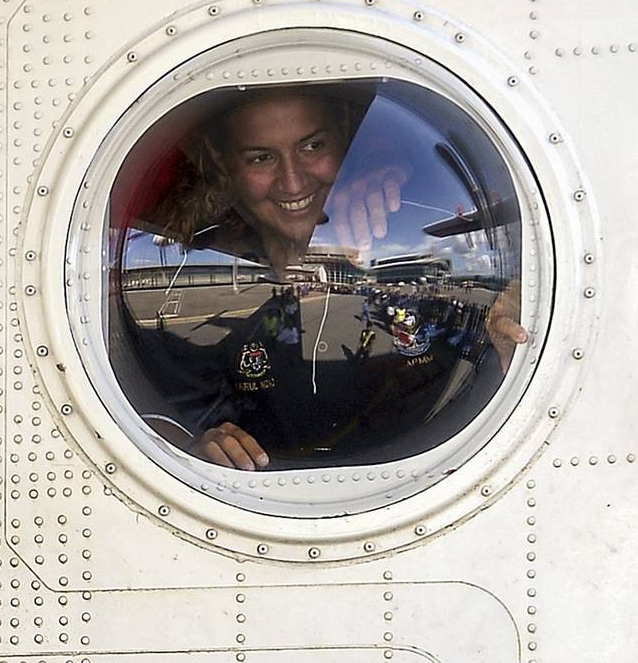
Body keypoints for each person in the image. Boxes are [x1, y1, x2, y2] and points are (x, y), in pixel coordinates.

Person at [133, 85, 528, 471]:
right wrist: (197, 447)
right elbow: (168, 414)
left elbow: (481, 344)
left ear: (346, 140)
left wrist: (508, 317)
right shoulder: (187, 281)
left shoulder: (415, 240)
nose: (292, 182)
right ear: (224, 165)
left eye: (313, 147)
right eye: (260, 158)